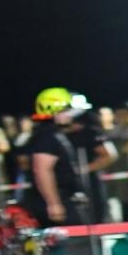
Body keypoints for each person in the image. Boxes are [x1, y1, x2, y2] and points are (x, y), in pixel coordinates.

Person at [22, 88, 86, 228]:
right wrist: (54, 204)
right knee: (70, 244)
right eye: (67, 110)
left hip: (63, 198)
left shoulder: (54, 134)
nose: (71, 114)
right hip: (55, 201)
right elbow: (42, 170)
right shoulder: (46, 136)